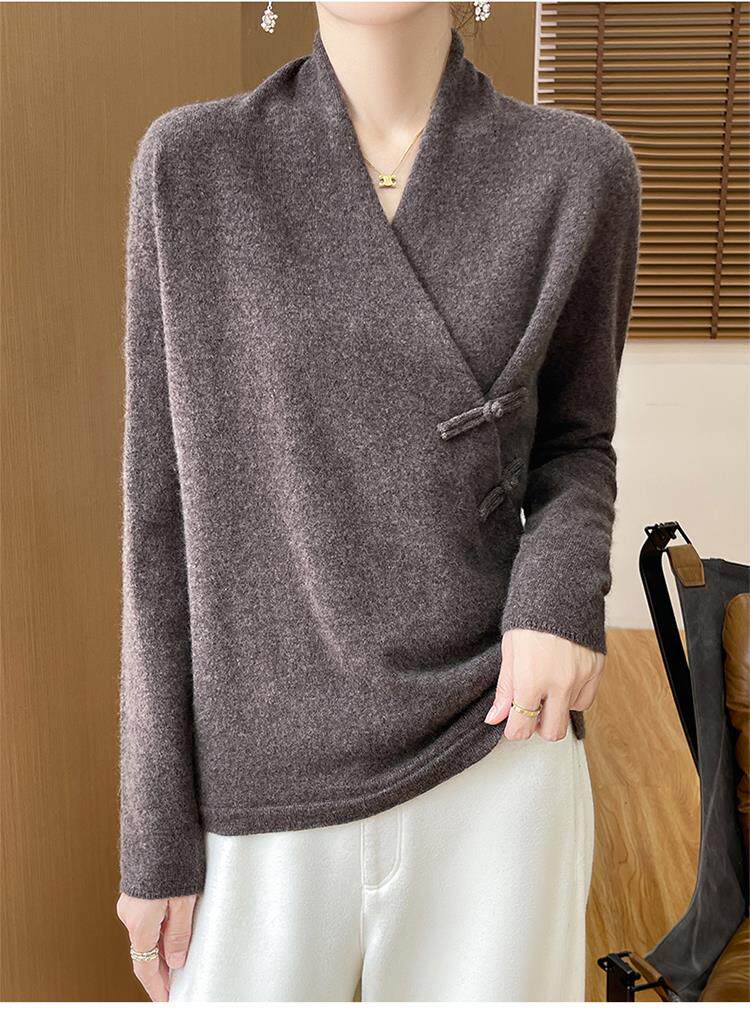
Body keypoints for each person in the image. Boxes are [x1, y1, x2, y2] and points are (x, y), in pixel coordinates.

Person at [115, 0, 641, 1001]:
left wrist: (558, 593)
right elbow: (157, 518)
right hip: (259, 774)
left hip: (498, 744)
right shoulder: (192, 165)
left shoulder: (578, 171)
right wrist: (154, 832)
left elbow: (576, 443)